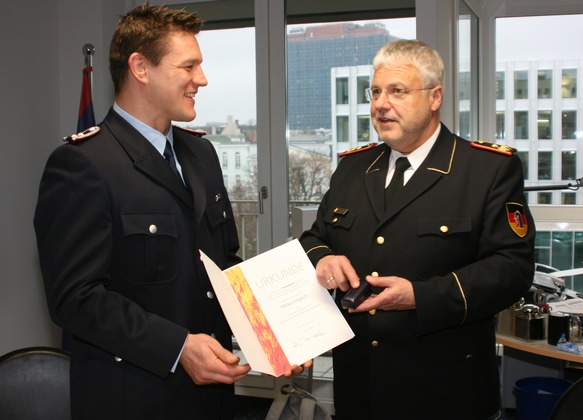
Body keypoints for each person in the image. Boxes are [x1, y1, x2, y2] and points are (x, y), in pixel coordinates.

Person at [34, 4, 305, 419]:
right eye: (189, 66)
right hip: (134, 399)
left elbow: (223, 267)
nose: (202, 79)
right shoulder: (83, 163)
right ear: (141, 67)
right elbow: (76, 297)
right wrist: (177, 347)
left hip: (212, 397)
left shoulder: (201, 153)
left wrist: (271, 336)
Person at [299, 39, 536, 419]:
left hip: (445, 389)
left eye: (397, 91)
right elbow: (313, 238)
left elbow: (512, 268)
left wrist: (419, 296)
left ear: (435, 96)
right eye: (375, 91)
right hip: (359, 383)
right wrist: (324, 258)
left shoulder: (487, 169)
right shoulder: (353, 167)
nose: (380, 103)